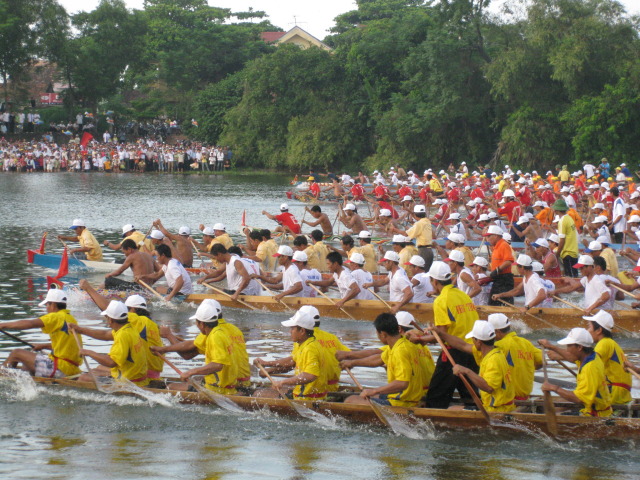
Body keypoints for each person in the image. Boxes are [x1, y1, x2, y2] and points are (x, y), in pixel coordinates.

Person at [408, 261, 479, 409]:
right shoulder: (463, 295)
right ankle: (471, 413)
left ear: (434, 281)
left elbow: (440, 336)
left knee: (436, 396)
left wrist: (419, 339)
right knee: (471, 393)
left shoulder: (441, 300)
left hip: (453, 352)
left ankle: (437, 421)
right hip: (472, 350)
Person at [75, 280, 164, 382]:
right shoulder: (149, 325)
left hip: (139, 374)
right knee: (99, 367)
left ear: (132, 310)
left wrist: (88, 288)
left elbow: (108, 309)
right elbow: (106, 334)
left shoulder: (134, 320)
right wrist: (80, 330)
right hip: (150, 372)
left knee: (85, 377)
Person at [541, 310, 631, 405]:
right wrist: (559, 355)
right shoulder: (609, 343)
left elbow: (584, 359)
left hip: (615, 392)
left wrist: (555, 351)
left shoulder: (604, 343)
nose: (587, 331)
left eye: (589, 327)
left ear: (599, 330)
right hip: (619, 391)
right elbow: (582, 358)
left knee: (562, 403)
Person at [341, 313, 425, 407]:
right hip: (408, 397)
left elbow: (402, 383)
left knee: (350, 400)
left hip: (403, 402)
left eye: (377, 333)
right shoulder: (402, 343)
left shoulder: (400, 351)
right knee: (373, 395)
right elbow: (377, 359)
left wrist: (374, 390)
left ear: (383, 334)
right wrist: (352, 363)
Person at [1, 288, 82, 378]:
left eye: (46, 304)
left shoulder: (55, 316)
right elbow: (66, 345)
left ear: (53, 305)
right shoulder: (70, 318)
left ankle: (3, 377)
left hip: (60, 368)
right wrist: (43, 346)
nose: (46, 308)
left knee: (16, 353)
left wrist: (3, 325)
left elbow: (30, 323)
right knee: (26, 364)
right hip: (71, 369)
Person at [160, 301, 238, 393]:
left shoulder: (215, 336)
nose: (196, 325)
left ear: (202, 324)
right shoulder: (220, 332)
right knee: (196, 378)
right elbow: (189, 353)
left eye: (196, 322)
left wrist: (190, 372)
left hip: (216, 390)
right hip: (226, 385)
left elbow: (217, 365)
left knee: (170, 387)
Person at [441, 320, 516, 412]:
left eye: (473, 339)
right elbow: (462, 345)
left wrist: (466, 371)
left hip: (495, 410)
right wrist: (440, 333)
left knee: (451, 410)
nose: (472, 341)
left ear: (479, 342)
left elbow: (489, 388)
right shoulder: (495, 352)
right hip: (498, 406)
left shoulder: (493, 360)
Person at [254, 310, 329, 401]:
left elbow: (310, 375)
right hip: (307, 394)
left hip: (306, 398)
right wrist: (266, 365)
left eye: (292, 329)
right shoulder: (308, 344)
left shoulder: (310, 349)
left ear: (302, 331)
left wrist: (283, 382)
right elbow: (291, 362)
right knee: (269, 389)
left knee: (258, 394)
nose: (290, 332)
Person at [72, 300, 149, 386]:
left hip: (129, 381)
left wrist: (88, 352)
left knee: (83, 378)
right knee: (97, 369)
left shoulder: (122, 335)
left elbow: (111, 362)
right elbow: (105, 335)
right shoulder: (129, 328)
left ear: (111, 320)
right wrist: (80, 330)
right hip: (135, 375)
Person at [540, 328, 612, 417]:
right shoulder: (591, 356)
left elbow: (578, 399)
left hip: (596, 415)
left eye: (569, 346)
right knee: (556, 405)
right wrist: (551, 347)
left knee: (554, 409)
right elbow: (571, 358)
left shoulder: (590, 368)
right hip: (592, 408)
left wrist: (554, 388)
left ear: (579, 347)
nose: (567, 349)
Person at [392, 205, 434, 271]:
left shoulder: (419, 224)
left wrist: (394, 229)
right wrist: (408, 210)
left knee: (421, 272)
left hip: (424, 251)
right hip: (429, 251)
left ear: (416, 215)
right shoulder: (427, 221)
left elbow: (406, 234)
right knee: (426, 272)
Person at [483, 225, 515, 306]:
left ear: (496, 236)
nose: (488, 238)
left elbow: (509, 261)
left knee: (500, 303)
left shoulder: (503, 245)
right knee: (495, 302)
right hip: (499, 278)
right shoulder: (497, 247)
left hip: (504, 279)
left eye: (489, 236)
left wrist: (497, 270)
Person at [553, 198, 579, 277]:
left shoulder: (562, 221)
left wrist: (557, 255)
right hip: (574, 252)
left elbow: (562, 240)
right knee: (574, 276)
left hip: (568, 253)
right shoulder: (569, 218)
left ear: (557, 210)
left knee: (570, 278)